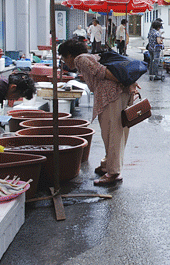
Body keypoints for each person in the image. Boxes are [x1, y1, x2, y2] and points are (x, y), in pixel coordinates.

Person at [58, 39, 137, 186]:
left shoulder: (80, 59)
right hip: (115, 95)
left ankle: (113, 172)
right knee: (113, 132)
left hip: (111, 96)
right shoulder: (89, 57)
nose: (64, 62)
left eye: (63, 58)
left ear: (69, 54)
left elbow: (104, 72)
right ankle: (108, 165)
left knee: (113, 133)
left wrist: (127, 82)